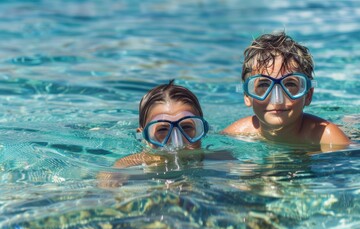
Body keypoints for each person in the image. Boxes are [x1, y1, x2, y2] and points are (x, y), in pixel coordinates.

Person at [222, 32, 351, 150]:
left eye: (289, 84)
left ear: (308, 95)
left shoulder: (327, 137)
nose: (277, 100)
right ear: (247, 95)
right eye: (264, 85)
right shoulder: (235, 134)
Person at [97, 80, 210, 187]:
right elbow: (109, 176)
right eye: (162, 130)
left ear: (202, 130)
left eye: (186, 127)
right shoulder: (131, 163)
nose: (177, 142)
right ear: (144, 136)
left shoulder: (215, 156)